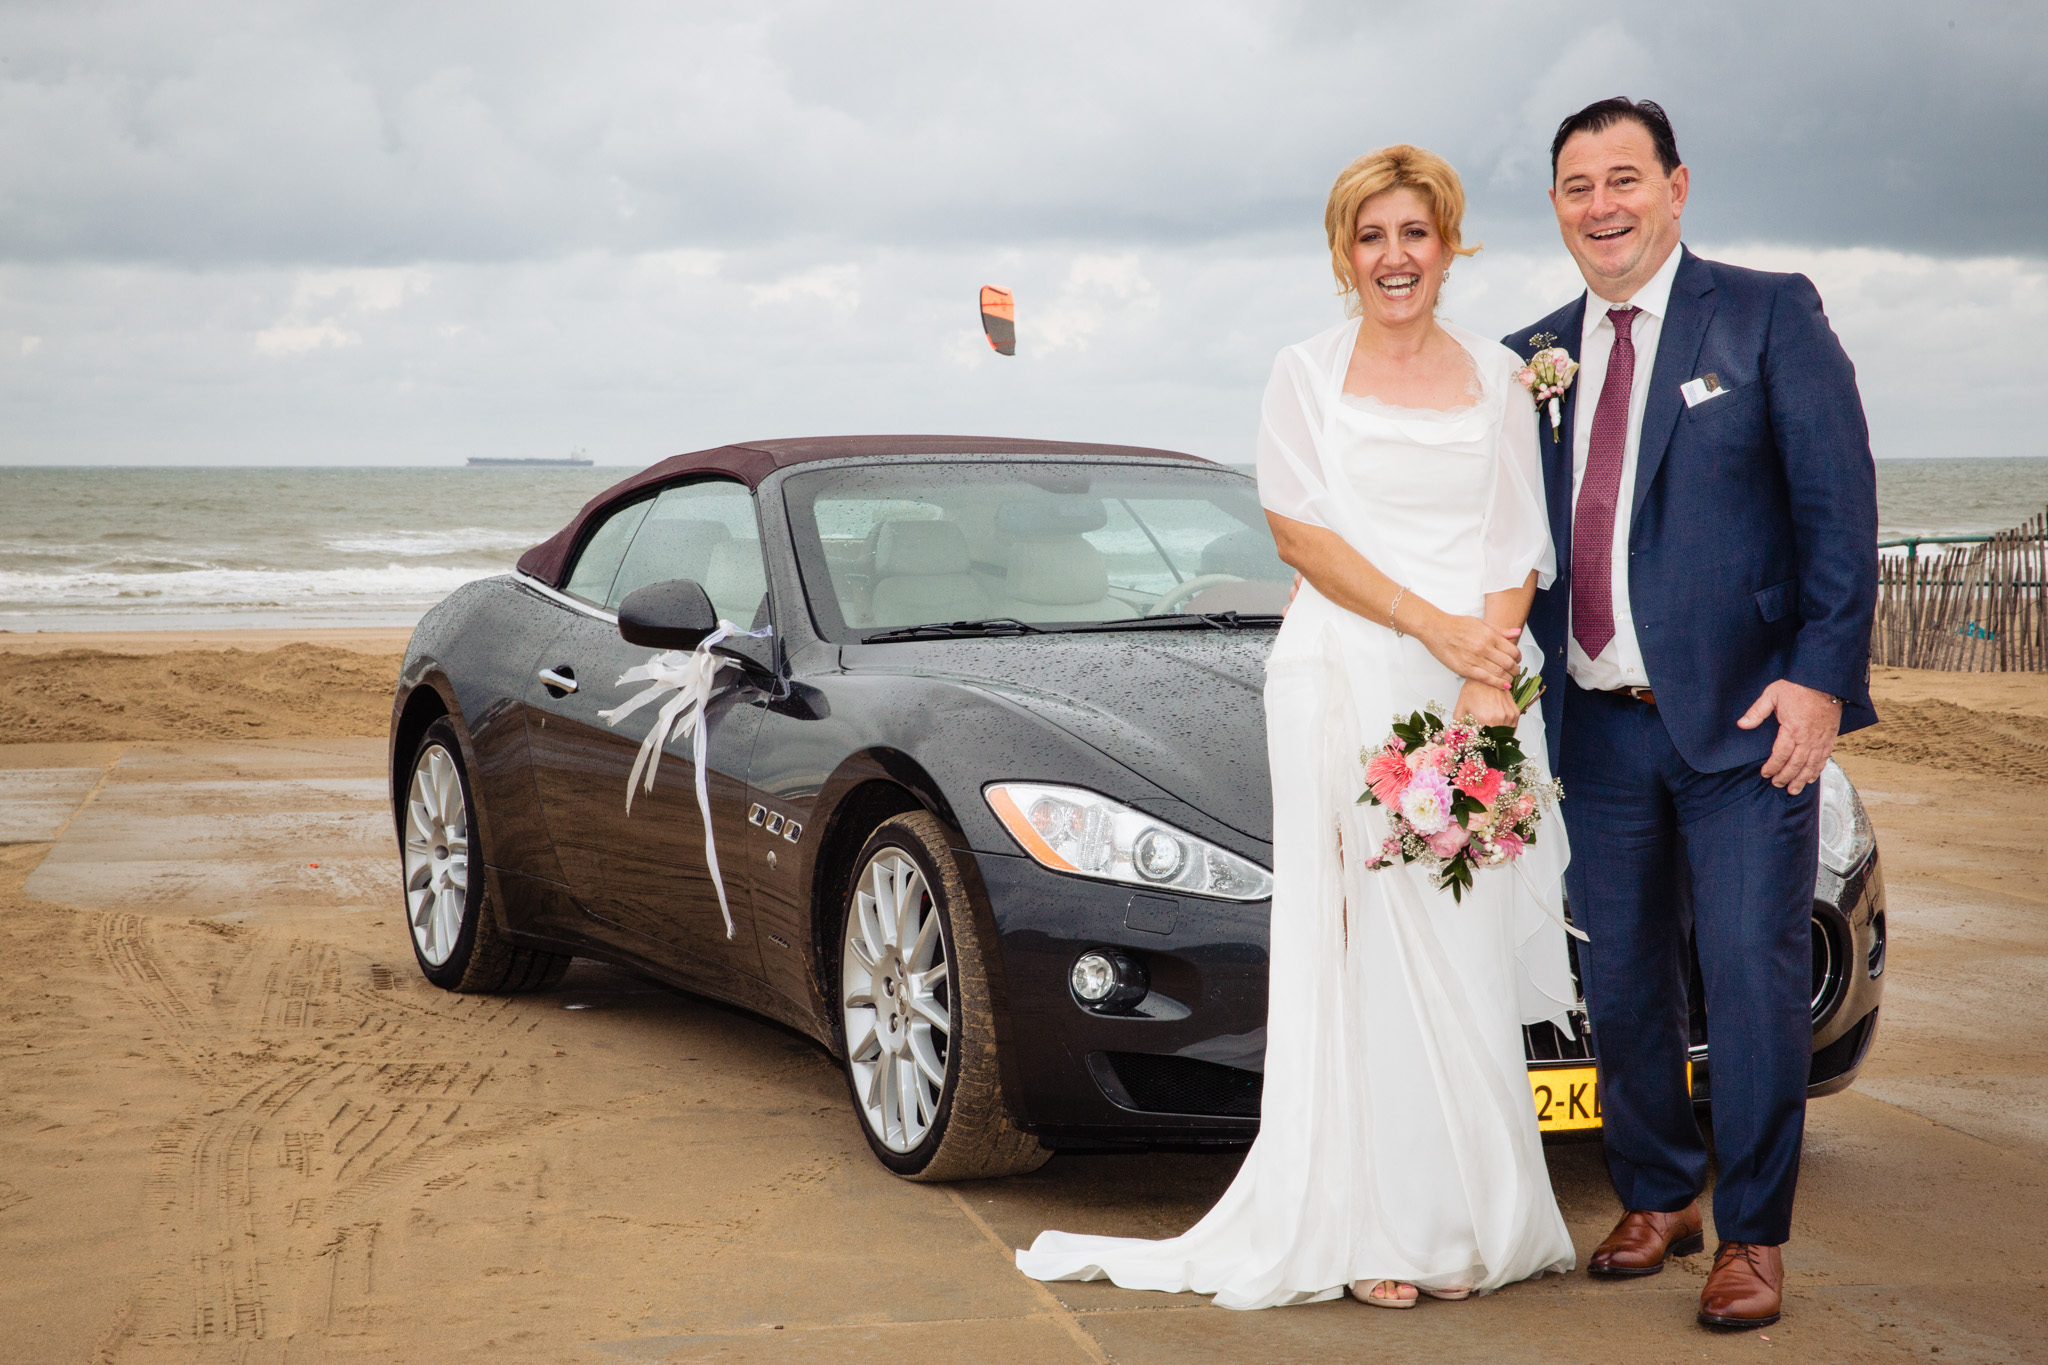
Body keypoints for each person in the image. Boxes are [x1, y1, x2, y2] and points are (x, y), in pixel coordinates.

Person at [1016, 145, 1578, 1310]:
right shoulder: (1303, 374)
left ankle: (1474, 1216)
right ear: (1341, 253)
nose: (1392, 259)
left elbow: (1514, 540)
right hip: (1340, 675)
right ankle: (1370, 1227)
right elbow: (1301, 538)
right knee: (1354, 950)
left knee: (1457, 949)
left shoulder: (1495, 376)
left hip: (1467, 683)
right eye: (1368, 238)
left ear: (1447, 243)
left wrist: (1484, 678)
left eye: (1412, 235)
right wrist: (1436, 632)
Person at [1505, 98, 1878, 1331]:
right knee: (1617, 984)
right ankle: (1657, 1193)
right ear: (1554, 206)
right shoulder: (1532, 356)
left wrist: (1819, 680)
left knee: (1748, 976)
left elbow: (1836, 509)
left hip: (1743, 727)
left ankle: (1752, 1236)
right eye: (1575, 186)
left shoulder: (1767, 314)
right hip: (1595, 729)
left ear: (1675, 187)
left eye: (1623, 178)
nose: (1600, 206)